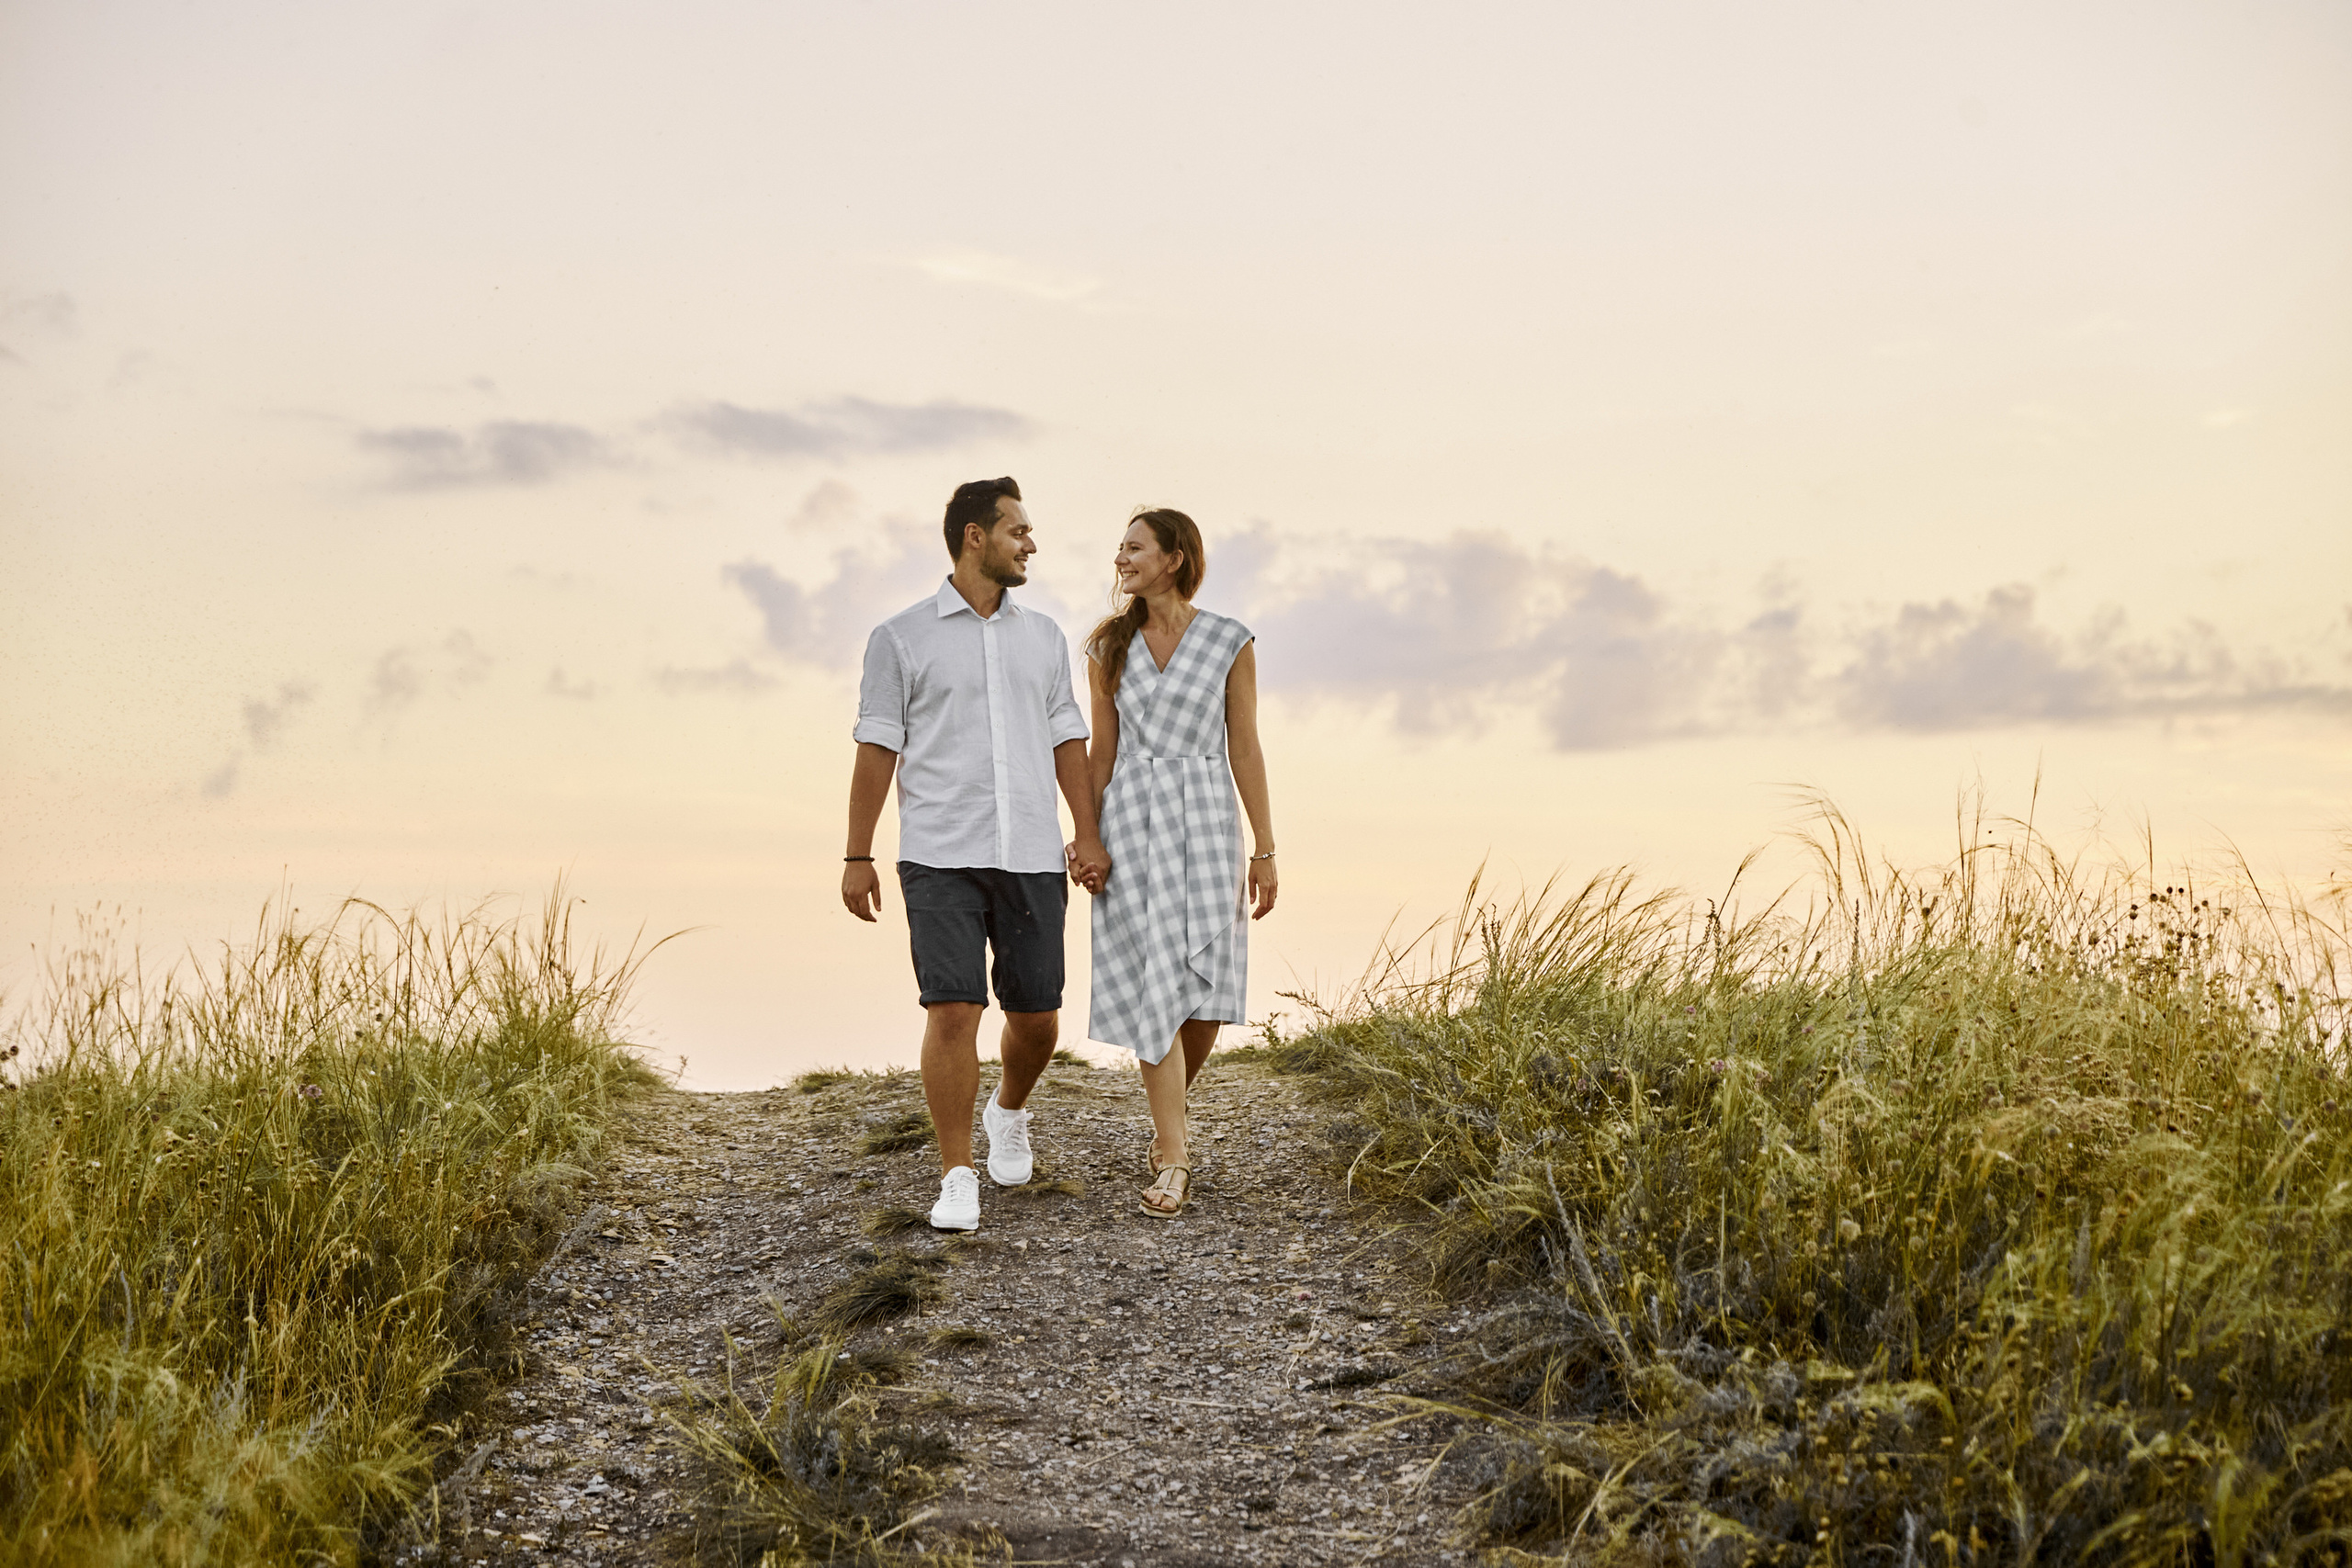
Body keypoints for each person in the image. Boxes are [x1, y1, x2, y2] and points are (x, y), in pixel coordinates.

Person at [842, 477, 1112, 1232]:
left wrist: (1087, 832)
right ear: (975, 536)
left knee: (1038, 1017)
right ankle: (956, 1174)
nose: (1031, 544)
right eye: (1018, 531)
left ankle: (1009, 1110)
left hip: (1030, 849)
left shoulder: (1044, 637)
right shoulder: (900, 637)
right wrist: (857, 854)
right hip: (939, 851)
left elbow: (1068, 739)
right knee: (954, 1007)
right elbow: (876, 747)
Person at [1080, 507, 1278, 1218]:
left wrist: (1265, 847)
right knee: (1156, 980)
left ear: (1174, 558)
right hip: (1133, 818)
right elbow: (1101, 752)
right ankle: (1174, 1155)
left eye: (1134, 547)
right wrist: (1086, 836)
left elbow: (1244, 746)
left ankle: (1170, 1115)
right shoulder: (1108, 645)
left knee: (1204, 989)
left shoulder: (1229, 640)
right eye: (1119, 547)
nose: (1121, 558)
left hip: (1207, 817)